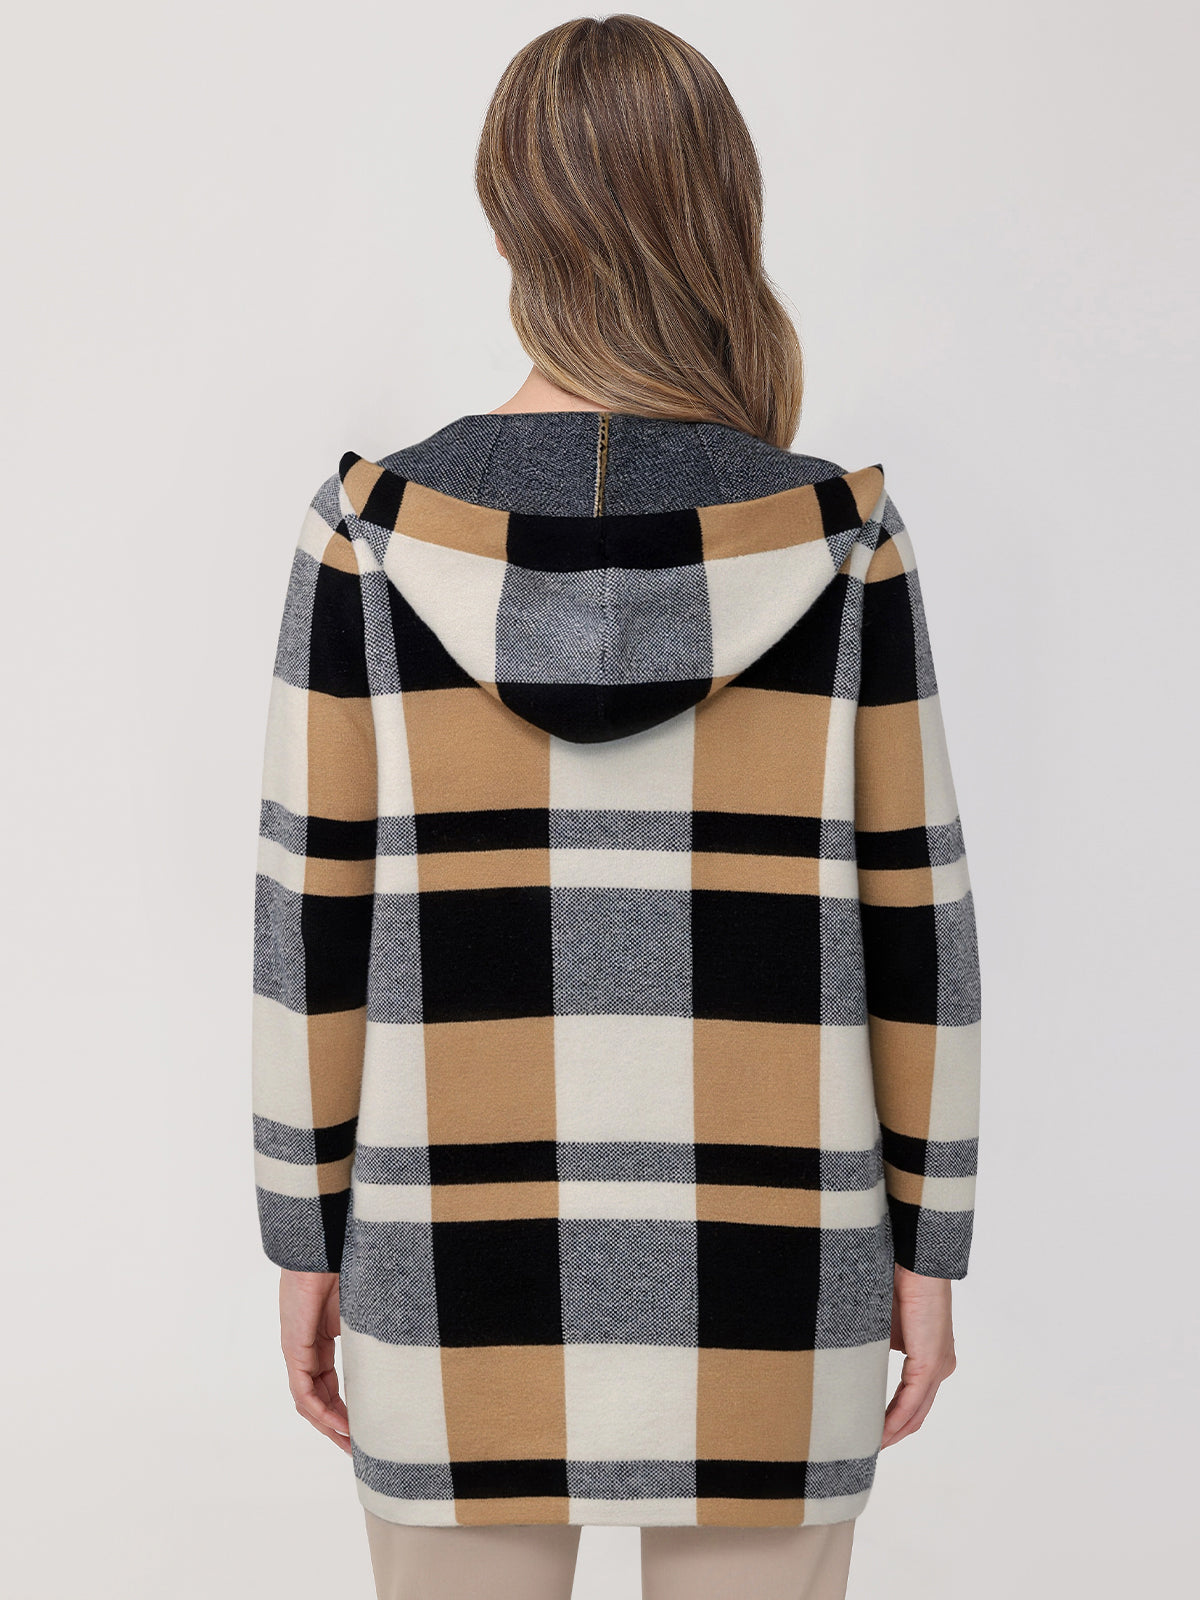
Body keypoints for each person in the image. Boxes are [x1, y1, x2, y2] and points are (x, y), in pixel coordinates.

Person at [250, 15, 981, 1600]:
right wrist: (930, 1246)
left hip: (447, 1252)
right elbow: (918, 926)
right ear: (722, 209)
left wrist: (303, 1236)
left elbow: (309, 926)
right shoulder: (840, 539)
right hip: (781, 1255)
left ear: (509, 215)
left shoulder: (371, 536)